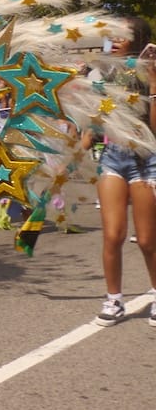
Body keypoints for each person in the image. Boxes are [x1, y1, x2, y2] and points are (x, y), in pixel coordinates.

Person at [84, 18, 156, 327]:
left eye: (121, 36)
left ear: (137, 39)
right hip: (113, 157)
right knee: (113, 235)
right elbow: (95, 122)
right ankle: (113, 300)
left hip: (146, 157)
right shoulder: (105, 72)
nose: (112, 40)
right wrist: (74, 149)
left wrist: (153, 87)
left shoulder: (149, 70)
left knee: (147, 241)